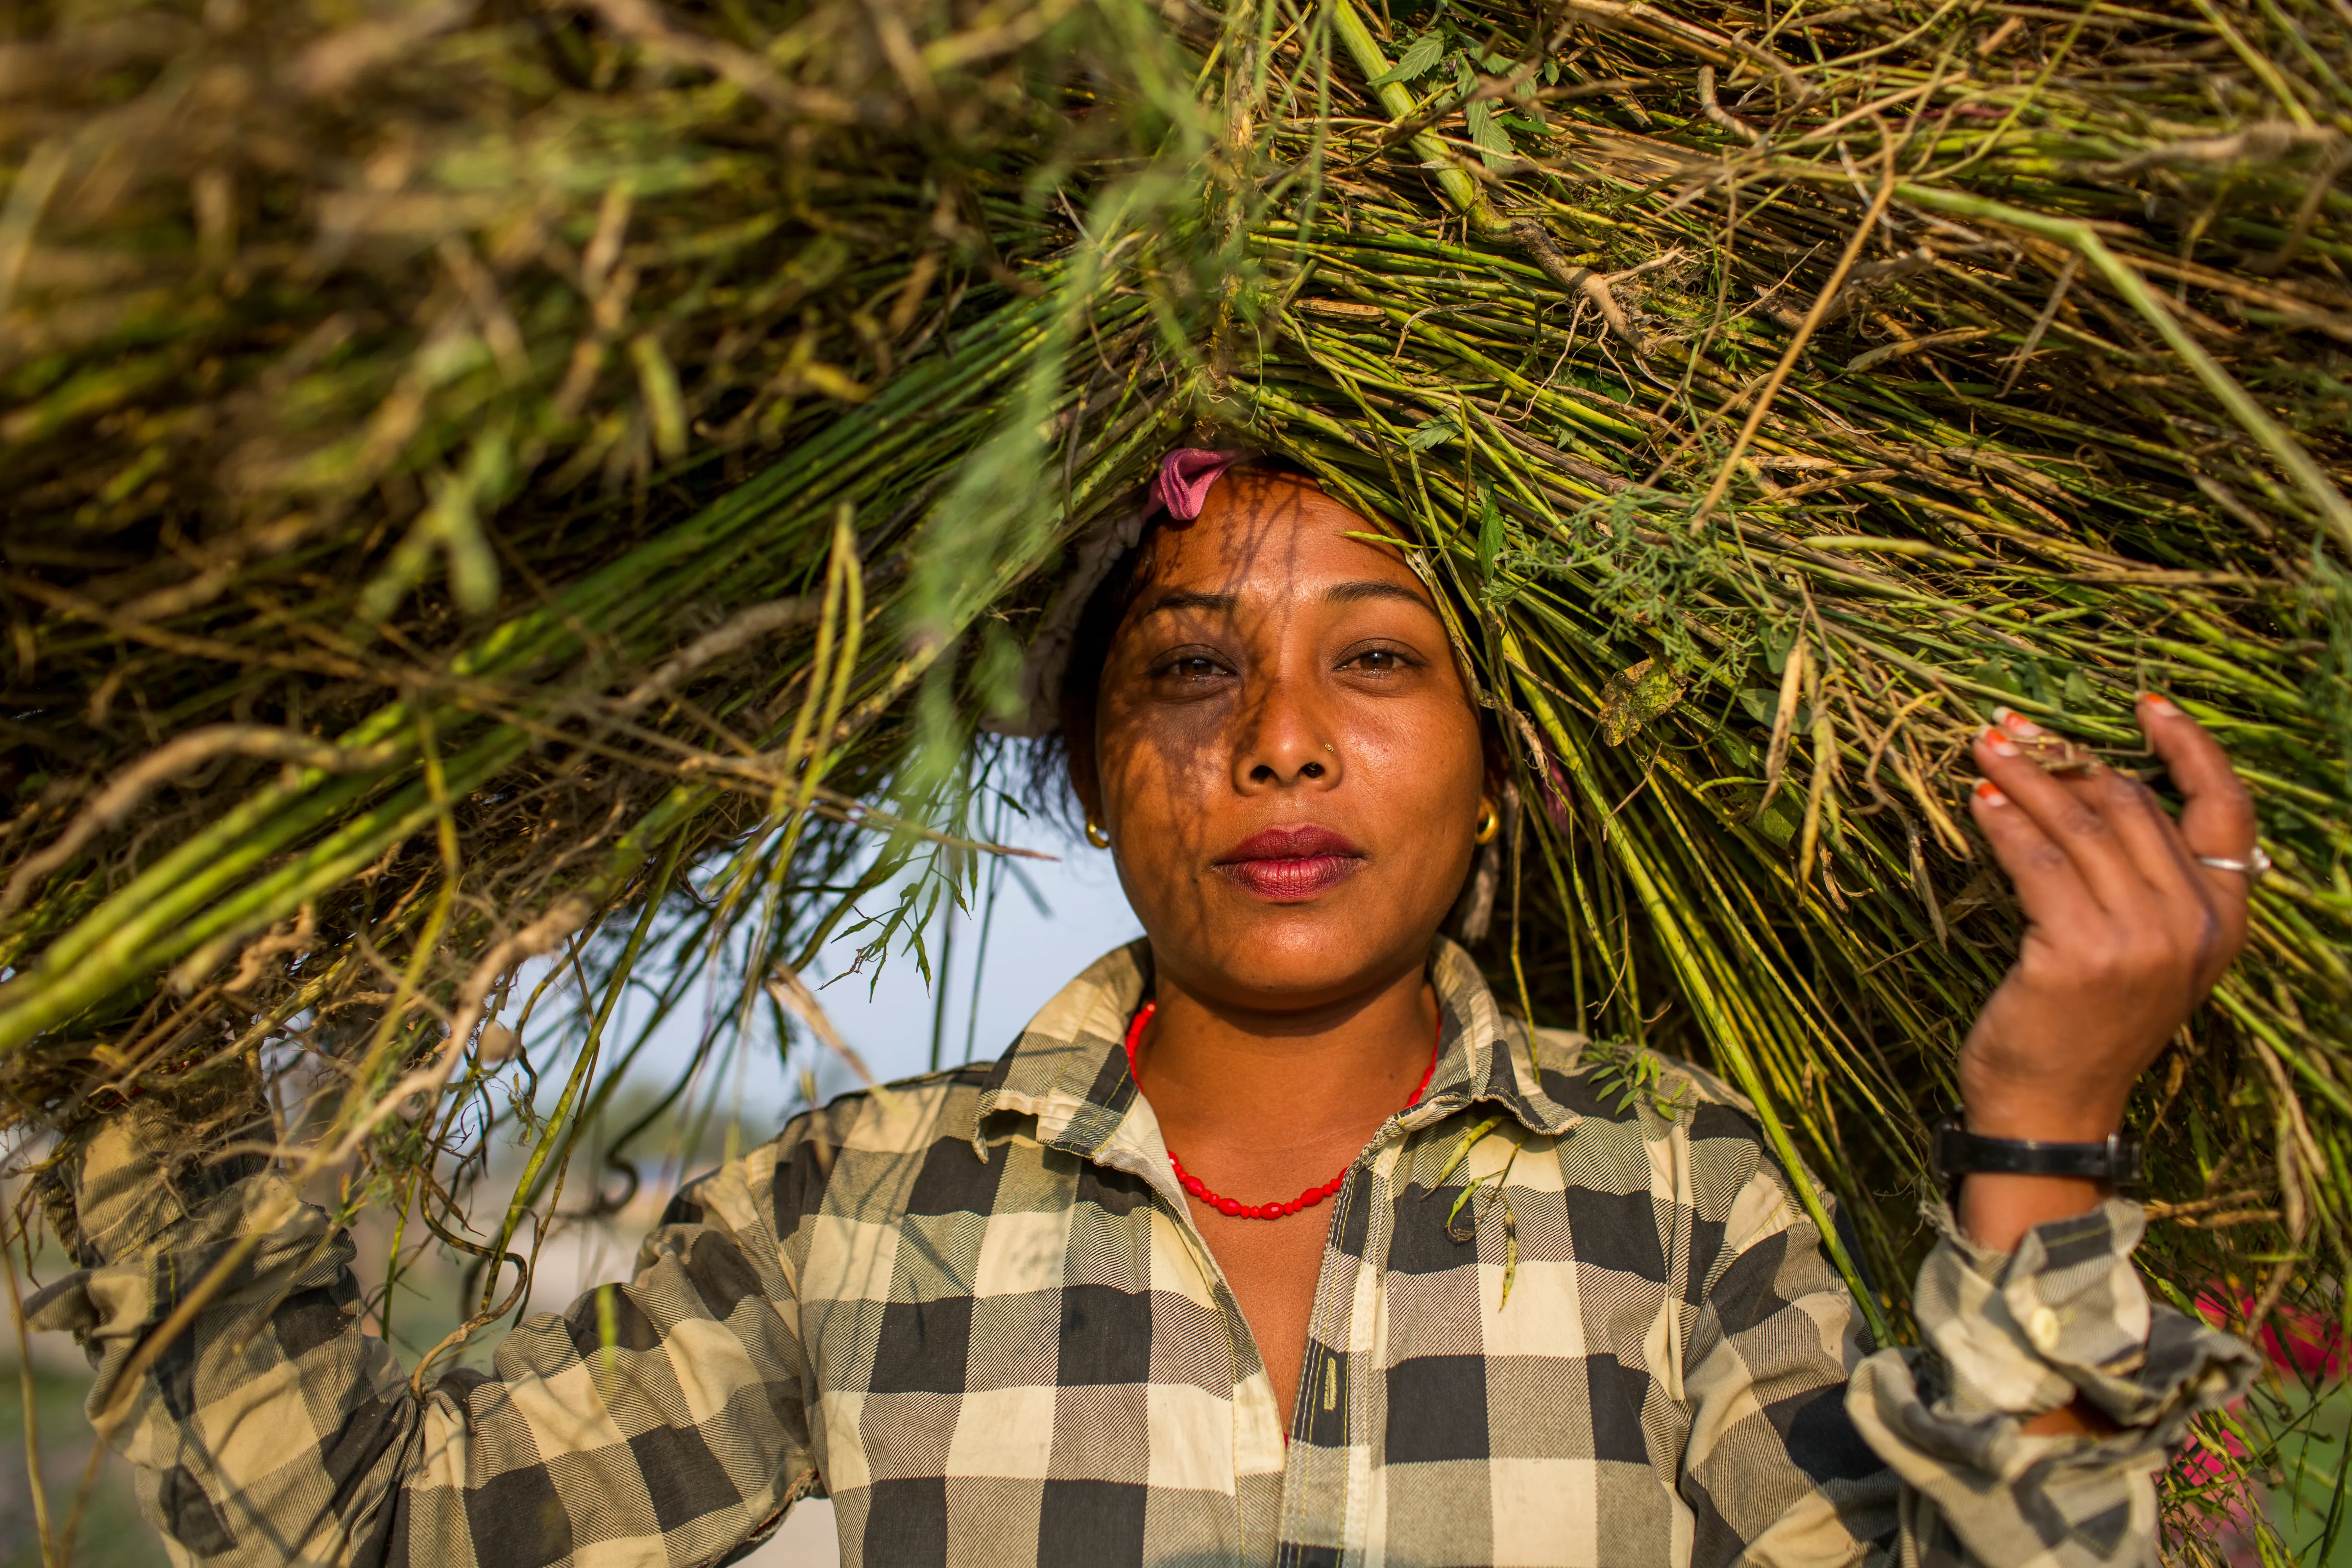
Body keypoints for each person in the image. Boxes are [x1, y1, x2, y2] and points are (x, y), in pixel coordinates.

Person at [30, 452, 2257, 1568]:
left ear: (1503, 761)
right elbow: (377, 1516)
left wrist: (2043, 1124)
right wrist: (106, 1004)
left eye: (1376, 659)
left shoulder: (1662, 1179)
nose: (1278, 741)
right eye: (1192, 668)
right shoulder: (870, 1204)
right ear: (1093, 768)